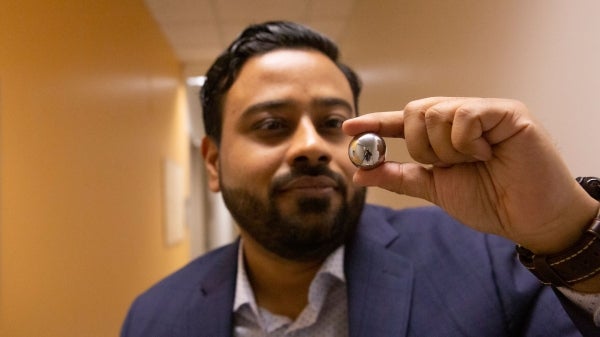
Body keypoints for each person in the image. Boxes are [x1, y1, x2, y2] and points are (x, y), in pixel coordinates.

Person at [120, 21, 600, 336]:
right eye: (271, 125)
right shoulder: (154, 318)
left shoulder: (487, 260)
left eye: (332, 123)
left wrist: (567, 232)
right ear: (212, 162)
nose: (310, 146)